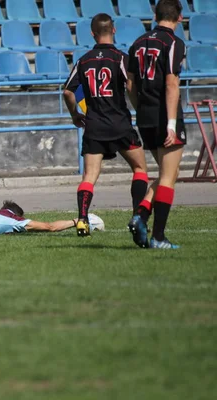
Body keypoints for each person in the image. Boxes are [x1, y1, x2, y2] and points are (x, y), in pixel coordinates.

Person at [63, 13, 149, 238]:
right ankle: (137, 217)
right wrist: (138, 107)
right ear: (114, 30)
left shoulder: (84, 60)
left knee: (90, 176)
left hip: (94, 126)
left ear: (92, 33)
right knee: (140, 169)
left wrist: (75, 114)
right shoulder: (121, 58)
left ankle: (82, 219)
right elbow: (130, 85)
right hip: (120, 123)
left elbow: (67, 91)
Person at [126, 0, 186, 249]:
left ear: (155, 14)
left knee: (165, 173)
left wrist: (140, 108)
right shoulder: (174, 42)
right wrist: (171, 124)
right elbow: (172, 84)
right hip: (164, 114)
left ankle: (141, 215)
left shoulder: (137, 43)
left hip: (145, 116)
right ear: (180, 17)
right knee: (169, 177)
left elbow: (130, 85)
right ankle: (158, 236)